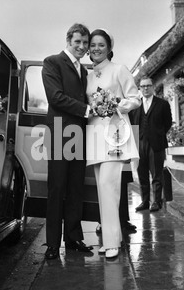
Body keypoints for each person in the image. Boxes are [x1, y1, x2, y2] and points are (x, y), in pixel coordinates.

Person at [86, 29, 141, 259]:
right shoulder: (87, 75)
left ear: (109, 47)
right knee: (102, 188)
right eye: (93, 45)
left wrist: (116, 105)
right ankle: (112, 238)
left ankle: (111, 243)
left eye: (101, 44)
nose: (96, 48)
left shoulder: (119, 69)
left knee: (110, 186)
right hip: (94, 136)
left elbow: (135, 98)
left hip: (114, 134)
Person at [41, 23, 93, 260]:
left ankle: (72, 238)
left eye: (85, 43)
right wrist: (86, 109)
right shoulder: (52, 62)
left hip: (79, 133)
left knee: (75, 188)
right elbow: (55, 97)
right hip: (61, 131)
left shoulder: (83, 71)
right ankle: (52, 243)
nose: (82, 47)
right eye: (77, 42)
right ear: (68, 41)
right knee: (57, 187)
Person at [130, 75, 172, 212]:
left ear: (153, 87)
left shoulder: (162, 104)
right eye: (143, 86)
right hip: (139, 144)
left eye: (148, 85)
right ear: (139, 88)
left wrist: (158, 135)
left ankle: (157, 202)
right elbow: (132, 124)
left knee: (157, 175)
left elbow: (167, 123)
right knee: (142, 174)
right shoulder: (135, 105)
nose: (146, 88)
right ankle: (145, 201)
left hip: (156, 144)